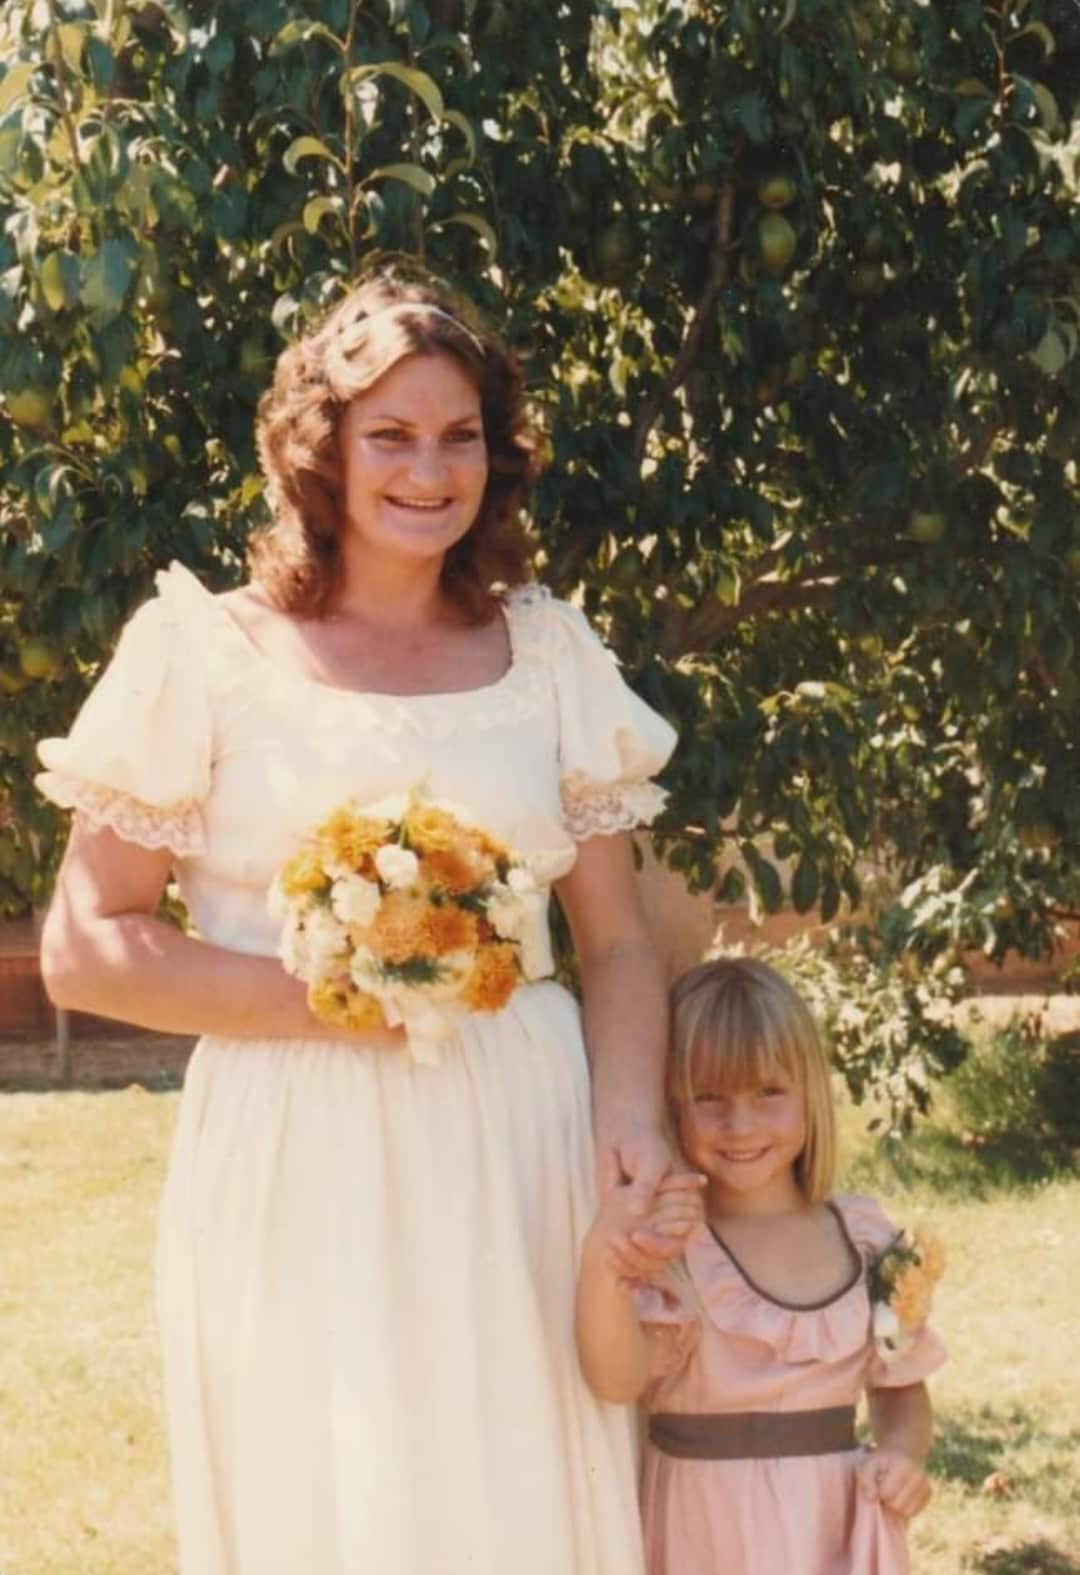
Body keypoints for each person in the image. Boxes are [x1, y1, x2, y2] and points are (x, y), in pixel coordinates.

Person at [36, 263, 689, 1575]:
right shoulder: (205, 653)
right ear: (317, 451)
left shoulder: (549, 653)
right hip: (300, 1149)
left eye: (460, 437)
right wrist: (350, 996)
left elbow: (615, 940)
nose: (428, 470)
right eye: (390, 434)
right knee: (332, 1501)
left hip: (527, 1137)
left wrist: (629, 1119)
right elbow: (87, 944)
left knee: (525, 1486)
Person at [576, 956, 946, 1575]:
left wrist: (904, 1453)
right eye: (708, 1099)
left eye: (768, 1092)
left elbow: (902, 1387)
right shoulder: (676, 1247)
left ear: (809, 1091)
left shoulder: (863, 1241)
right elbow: (618, 1381)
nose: (740, 1124)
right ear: (672, 1103)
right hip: (705, 1530)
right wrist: (605, 1270)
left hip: (835, 1529)